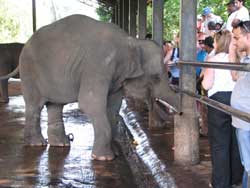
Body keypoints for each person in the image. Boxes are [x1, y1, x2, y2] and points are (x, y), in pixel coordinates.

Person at [202, 30, 243, 188]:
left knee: (220, 144)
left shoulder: (213, 59)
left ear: (218, 42)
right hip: (236, 100)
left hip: (218, 102)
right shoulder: (238, 59)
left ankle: (220, 183)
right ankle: (235, 179)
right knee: (235, 141)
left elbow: (206, 85)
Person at [230, 20, 250, 188]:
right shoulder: (246, 59)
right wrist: (232, 49)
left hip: (247, 120)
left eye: (237, 38)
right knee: (247, 163)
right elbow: (235, 76)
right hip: (242, 119)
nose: (235, 41)